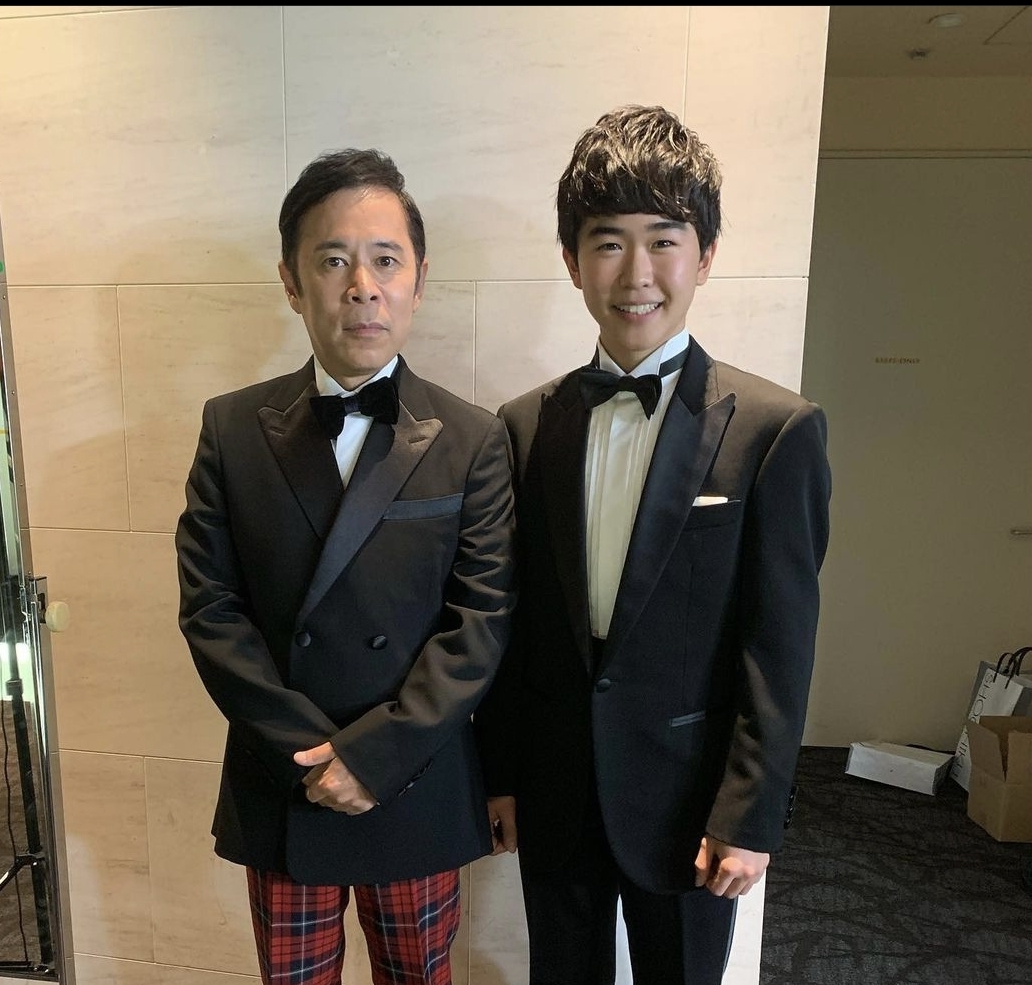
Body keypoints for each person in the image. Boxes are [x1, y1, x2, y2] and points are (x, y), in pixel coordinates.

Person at [474, 104, 832, 985]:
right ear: (572, 261)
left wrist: (750, 815)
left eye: (663, 240)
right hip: (555, 790)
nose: (636, 273)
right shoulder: (522, 425)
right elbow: (513, 625)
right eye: (607, 242)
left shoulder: (774, 429)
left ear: (703, 255)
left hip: (691, 800)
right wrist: (501, 773)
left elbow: (777, 644)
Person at [175, 147, 515, 985]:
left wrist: (375, 756)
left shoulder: (474, 437)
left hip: (413, 774)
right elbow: (211, 609)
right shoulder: (231, 428)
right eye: (332, 261)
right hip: (285, 775)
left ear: (418, 279)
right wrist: (311, 755)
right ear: (291, 282)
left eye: (385, 260)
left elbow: (480, 621)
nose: (362, 286)